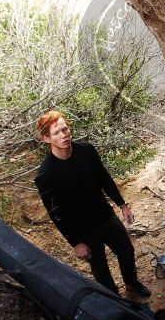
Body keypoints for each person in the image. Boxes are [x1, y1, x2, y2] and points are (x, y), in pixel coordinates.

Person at [34, 111, 151, 298]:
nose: (64, 135)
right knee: (101, 270)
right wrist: (75, 243)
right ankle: (117, 302)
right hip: (83, 231)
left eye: (65, 128)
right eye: (56, 133)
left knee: (126, 251)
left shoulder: (86, 150)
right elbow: (56, 213)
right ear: (46, 138)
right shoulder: (46, 174)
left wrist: (122, 204)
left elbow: (104, 178)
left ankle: (131, 284)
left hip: (105, 216)